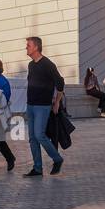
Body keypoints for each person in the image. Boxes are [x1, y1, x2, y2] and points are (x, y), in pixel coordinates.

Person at [24, 35, 65, 177]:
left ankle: (57, 159)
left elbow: (60, 83)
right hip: (30, 105)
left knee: (39, 135)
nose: (26, 48)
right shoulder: (31, 65)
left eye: (28, 45)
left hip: (43, 106)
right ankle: (37, 168)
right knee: (32, 138)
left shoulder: (48, 64)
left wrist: (57, 101)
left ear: (36, 47)